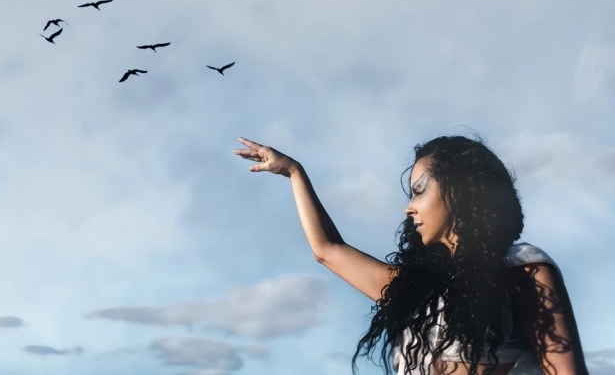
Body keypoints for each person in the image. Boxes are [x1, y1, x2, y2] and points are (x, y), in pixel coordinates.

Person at [234, 134, 589, 375]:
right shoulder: (415, 288)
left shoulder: (522, 268)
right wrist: (293, 172)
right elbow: (327, 250)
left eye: (419, 191)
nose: (409, 208)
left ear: (458, 191)